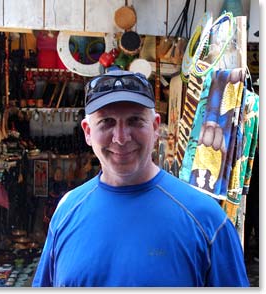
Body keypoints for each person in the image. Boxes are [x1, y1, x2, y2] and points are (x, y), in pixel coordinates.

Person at [32, 70, 249, 287]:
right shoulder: (66, 212)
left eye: (135, 121)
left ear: (155, 127)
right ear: (88, 132)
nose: (121, 138)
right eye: (106, 122)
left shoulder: (206, 220)